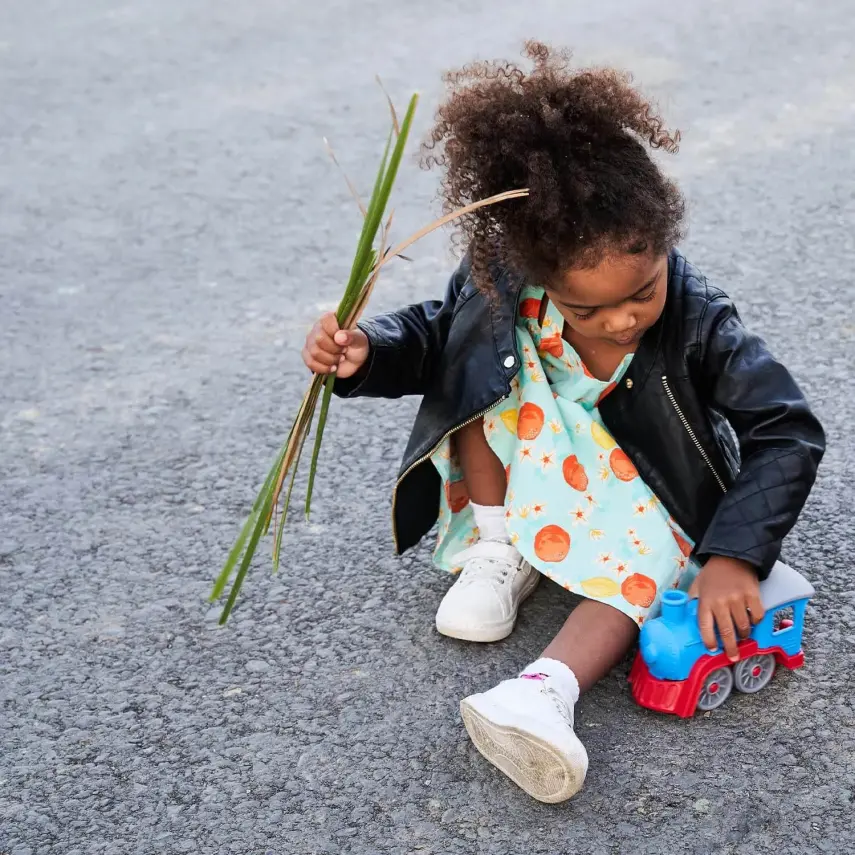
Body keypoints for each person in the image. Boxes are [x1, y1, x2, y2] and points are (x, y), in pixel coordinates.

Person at [301, 42, 825, 803]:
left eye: (641, 292)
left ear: (664, 242)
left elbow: (786, 427)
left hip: (639, 476)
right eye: (588, 308)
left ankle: (543, 691)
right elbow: (432, 334)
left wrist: (735, 555)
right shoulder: (501, 283)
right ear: (534, 271)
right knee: (480, 387)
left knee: (648, 561)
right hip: (535, 459)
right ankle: (500, 547)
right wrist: (365, 354)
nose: (621, 318)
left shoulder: (699, 319)